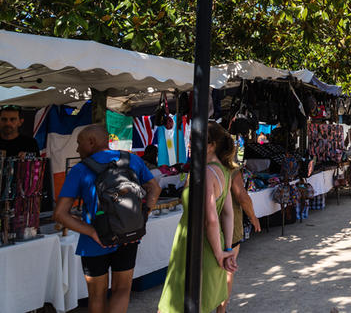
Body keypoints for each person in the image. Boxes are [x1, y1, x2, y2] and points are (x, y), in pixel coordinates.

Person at [54, 124, 160, 313]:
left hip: (95, 241)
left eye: (79, 143)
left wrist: (91, 232)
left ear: (91, 142)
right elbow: (154, 188)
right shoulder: (132, 160)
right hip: (129, 236)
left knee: (97, 296)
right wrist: (142, 217)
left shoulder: (79, 170)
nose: (77, 149)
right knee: (122, 290)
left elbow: (60, 214)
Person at [159, 123, 237, 313]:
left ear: (210, 145)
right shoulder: (224, 171)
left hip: (195, 244)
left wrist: (221, 254)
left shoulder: (204, 173)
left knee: (172, 306)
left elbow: (211, 218)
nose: (189, 145)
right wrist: (226, 249)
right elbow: (227, 213)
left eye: (194, 141)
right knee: (200, 303)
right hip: (213, 244)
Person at [219, 134, 262, 313]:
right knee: (228, 271)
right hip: (228, 228)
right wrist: (253, 217)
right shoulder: (231, 170)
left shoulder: (200, 168)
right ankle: (221, 311)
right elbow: (242, 197)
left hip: (206, 226)